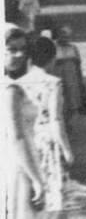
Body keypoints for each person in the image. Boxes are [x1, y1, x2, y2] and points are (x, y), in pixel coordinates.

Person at [20, 37, 73, 212]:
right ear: (52, 58)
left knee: (27, 196)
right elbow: (56, 119)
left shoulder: (18, 84)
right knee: (53, 194)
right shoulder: (52, 83)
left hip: (25, 142)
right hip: (47, 143)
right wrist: (66, 149)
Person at [4, 24, 46, 217]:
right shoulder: (11, 90)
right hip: (18, 162)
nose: (19, 55)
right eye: (12, 49)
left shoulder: (15, 84)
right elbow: (17, 137)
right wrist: (36, 179)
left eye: (23, 49)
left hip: (24, 157)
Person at [51, 28, 86, 124]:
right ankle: (62, 124)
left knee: (72, 103)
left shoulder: (73, 47)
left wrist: (80, 80)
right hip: (58, 79)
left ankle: (67, 123)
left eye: (67, 37)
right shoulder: (52, 47)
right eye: (62, 36)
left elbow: (78, 64)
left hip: (72, 80)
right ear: (58, 36)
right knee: (59, 103)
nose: (65, 39)